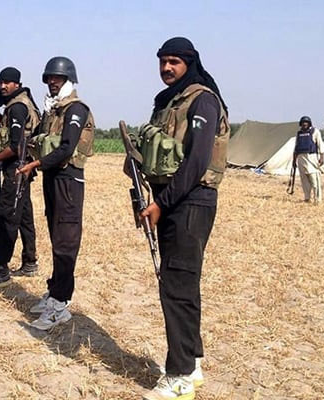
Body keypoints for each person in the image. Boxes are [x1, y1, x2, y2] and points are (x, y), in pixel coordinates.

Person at [129, 37, 229, 400]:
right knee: (181, 287)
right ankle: (193, 363)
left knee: (177, 287)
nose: (167, 68)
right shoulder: (168, 103)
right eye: (162, 61)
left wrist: (162, 205)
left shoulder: (202, 99)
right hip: (172, 200)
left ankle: (181, 376)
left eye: (174, 62)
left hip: (191, 201)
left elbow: (197, 162)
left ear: (189, 63)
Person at [18, 56, 95, 331]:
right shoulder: (53, 110)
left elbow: (65, 148)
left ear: (68, 80)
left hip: (68, 181)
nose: (52, 82)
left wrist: (35, 164)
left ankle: (61, 304)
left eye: (57, 78)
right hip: (53, 179)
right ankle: (54, 292)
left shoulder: (75, 109)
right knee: (56, 239)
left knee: (66, 244)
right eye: (49, 78)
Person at [0, 67, 40, 289]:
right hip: (22, 169)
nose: (2, 86)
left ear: (17, 84)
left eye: (7, 83)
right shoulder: (17, 105)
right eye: (0, 82)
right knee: (24, 216)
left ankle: (1, 267)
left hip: (17, 169)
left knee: (5, 216)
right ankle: (30, 261)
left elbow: (15, 146)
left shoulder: (18, 107)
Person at [292, 116, 324, 203]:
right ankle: (307, 197)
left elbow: (320, 144)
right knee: (304, 180)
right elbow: (296, 147)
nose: (304, 124)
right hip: (301, 158)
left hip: (311, 157)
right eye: (303, 122)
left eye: (306, 122)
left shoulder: (315, 131)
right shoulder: (299, 133)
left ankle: (317, 199)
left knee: (314, 179)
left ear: (309, 123)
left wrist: (321, 157)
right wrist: (294, 161)